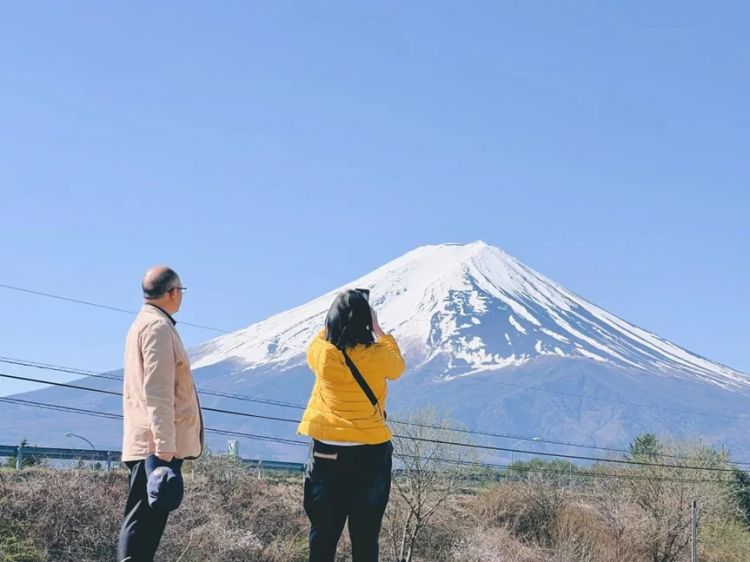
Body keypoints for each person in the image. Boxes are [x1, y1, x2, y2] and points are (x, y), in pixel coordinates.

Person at [298, 288, 405, 562]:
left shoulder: (322, 355)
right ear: (366, 322)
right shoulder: (379, 356)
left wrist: (334, 320)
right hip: (370, 455)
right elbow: (398, 367)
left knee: (322, 537)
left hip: (327, 456)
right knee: (366, 538)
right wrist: (378, 328)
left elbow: (319, 339)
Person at [117, 266, 204, 562]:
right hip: (155, 445)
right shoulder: (157, 328)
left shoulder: (145, 323)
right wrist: (164, 446)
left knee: (146, 520)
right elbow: (158, 390)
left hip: (149, 442)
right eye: (181, 291)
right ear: (173, 293)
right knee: (143, 522)